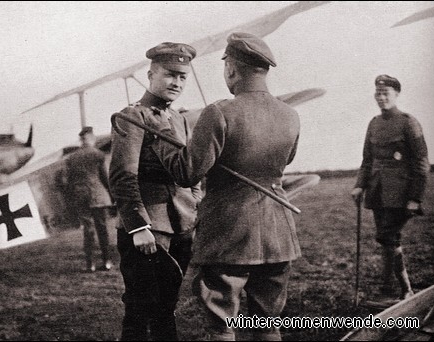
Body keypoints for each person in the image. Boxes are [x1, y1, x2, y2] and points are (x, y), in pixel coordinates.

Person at [144, 32, 301, 341]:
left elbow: (187, 173)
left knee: (222, 322)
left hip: (228, 233)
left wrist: (161, 133)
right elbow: (285, 161)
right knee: (267, 322)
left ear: (231, 69)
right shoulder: (290, 115)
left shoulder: (220, 112)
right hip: (278, 231)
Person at [108, 42, 202, 340]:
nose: (176, 82)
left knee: (167, 308)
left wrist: (194, 205)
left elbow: (191, 172)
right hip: (149, 230)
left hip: (181, 226)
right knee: (139, 309)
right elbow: (123, 176)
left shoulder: (180, 119)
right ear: (151, 74)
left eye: (183, 77)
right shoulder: (131, 116)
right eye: (169, 74)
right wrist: (139, 227)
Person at [351, 75, 429, 300]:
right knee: (386, 239)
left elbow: (422, 163)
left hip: (401, 194)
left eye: (386, 93)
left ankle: (406, 290)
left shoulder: (408, 122)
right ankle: (388, 289)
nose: (381, 97)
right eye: (378, 93)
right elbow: (367, 160)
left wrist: (415, 198)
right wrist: (359, 186)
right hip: (377, 192)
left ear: (396, 95)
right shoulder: (374, 123)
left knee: (388, 236)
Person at [62, 126, 113, 272]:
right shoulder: (98, 155)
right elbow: (105, 177)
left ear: (81, 140)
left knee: (88, 230)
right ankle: (107, 261)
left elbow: (67, 181)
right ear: (92, 138)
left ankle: (90, 264)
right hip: (98, 196)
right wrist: (112, 193)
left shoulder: (72, 158)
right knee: (102, 229)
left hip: (81, 197)